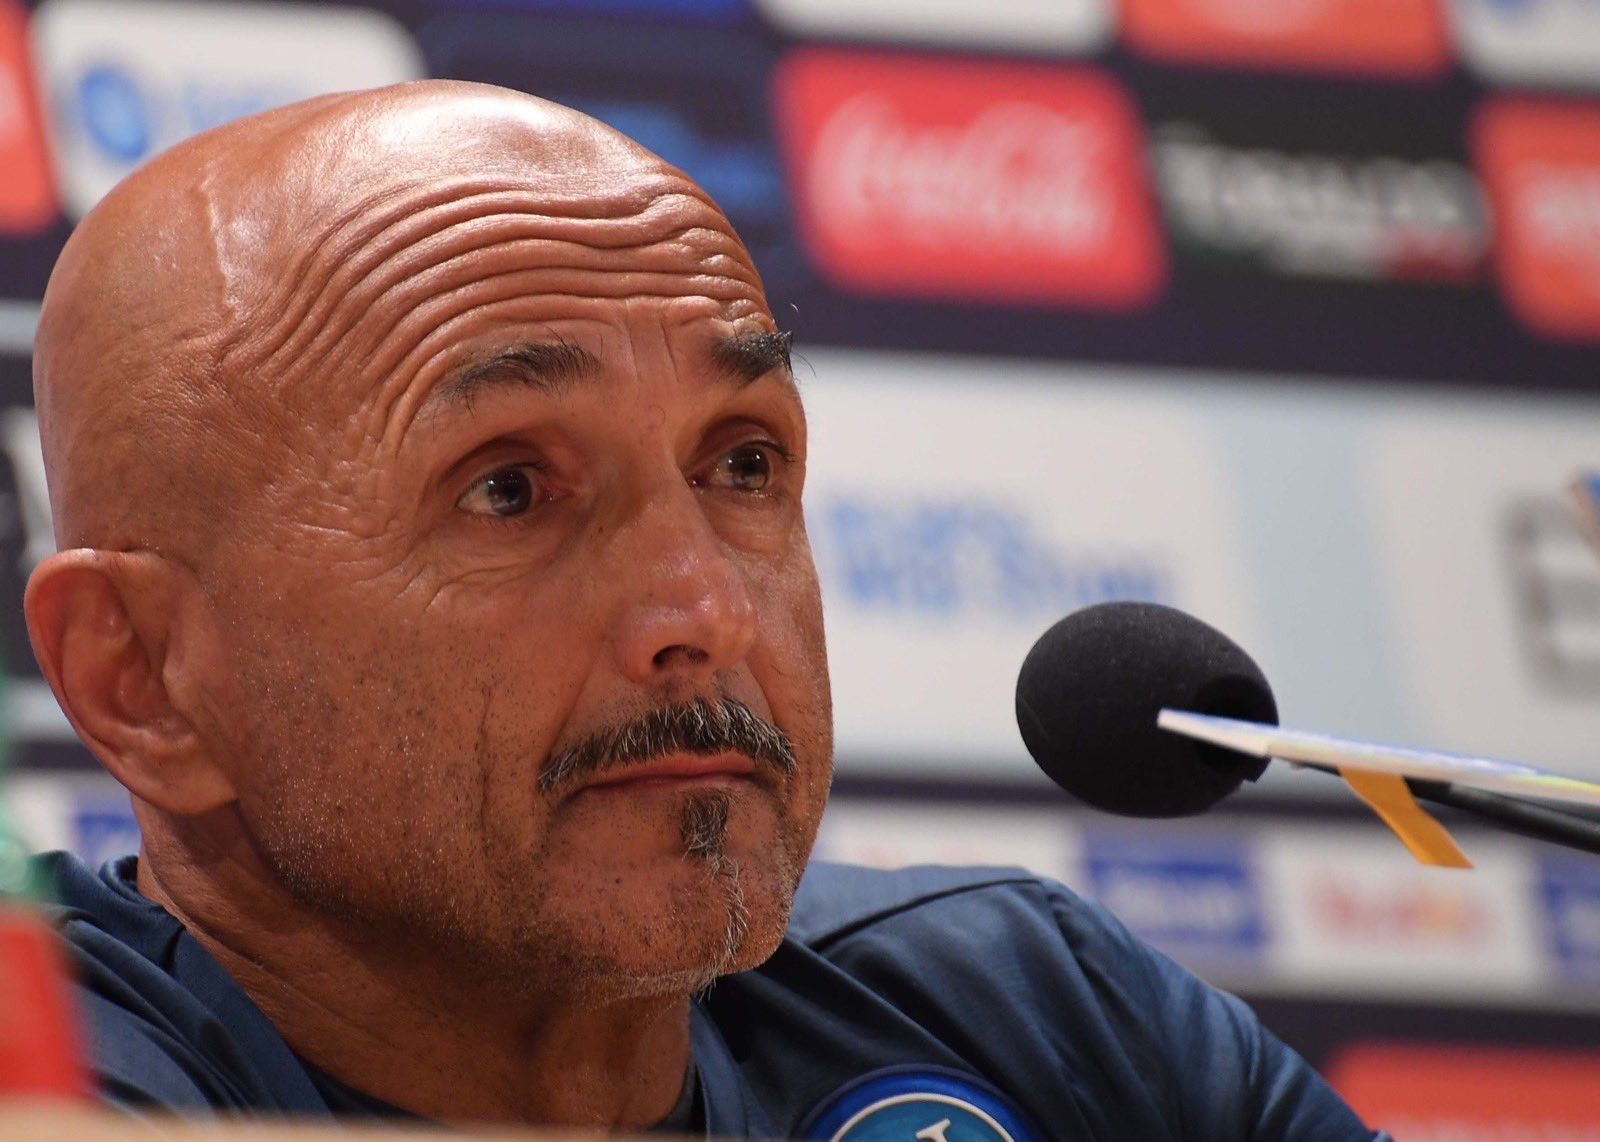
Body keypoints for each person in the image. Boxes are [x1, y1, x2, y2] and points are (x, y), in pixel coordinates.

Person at [24, 80, 1384, 1138]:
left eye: (741, 465)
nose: (708, 610)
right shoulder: (55, 1080)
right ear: (145, 678)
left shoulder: (1039, 1017)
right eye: (507, 490)